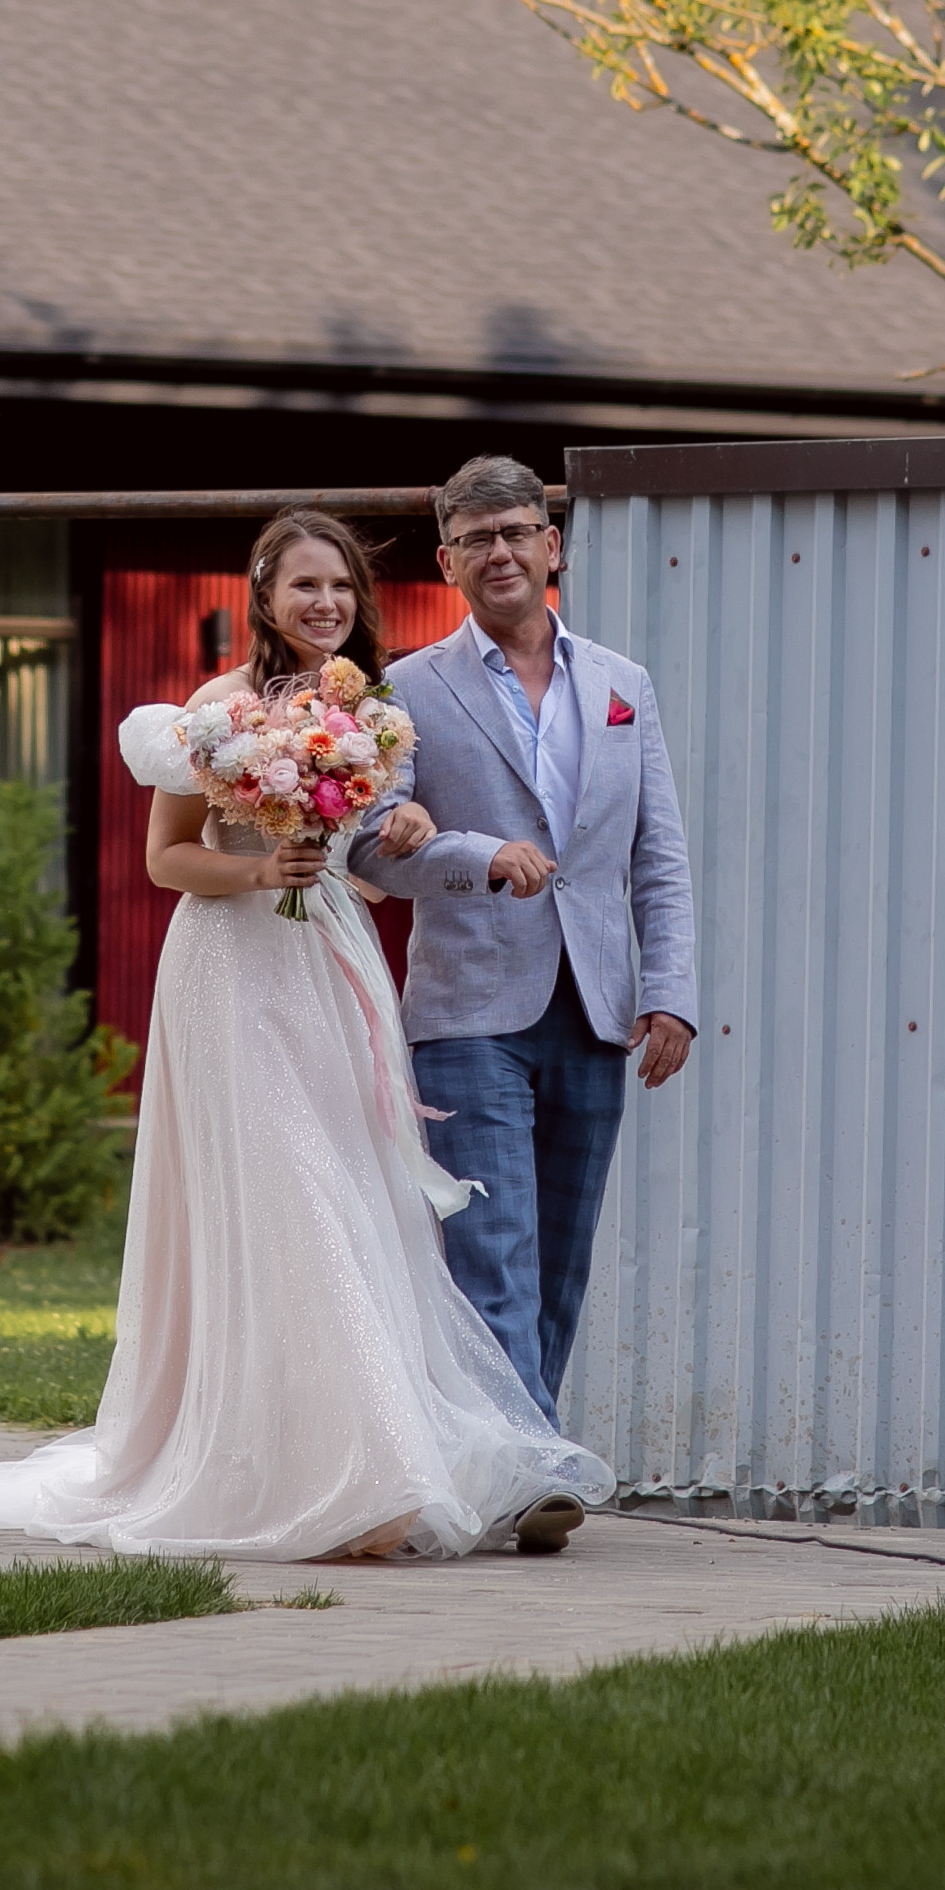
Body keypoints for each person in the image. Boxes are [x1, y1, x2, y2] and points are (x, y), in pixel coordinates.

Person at [0, 507, 613, 1564]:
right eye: (304, 585)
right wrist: (259, 868)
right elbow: (166, 858)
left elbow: (366, 858)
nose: (326, 604)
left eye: (341, 587)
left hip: (331, 962)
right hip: (234, 969)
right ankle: (346, 1476)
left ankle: (358, 1454)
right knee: (294, 1199)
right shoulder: (218, 708)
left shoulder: (368, 710)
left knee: (355, 1205)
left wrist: (400, 827)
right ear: (265, 597)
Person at [347, 456, 697, 1421]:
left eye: (513, 533)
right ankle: (536, 1464)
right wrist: (479, 855)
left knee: (559, 1261)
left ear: (551, 546)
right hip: (467, 1015)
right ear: (446, 562)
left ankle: (511, 1452)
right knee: (491, 1255)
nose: (497, 552)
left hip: (594, 1009)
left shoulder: (623, 684)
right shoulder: (403, 687)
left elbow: (657, 853)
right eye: (474, 540)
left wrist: (670, 991)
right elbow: (371, 849)